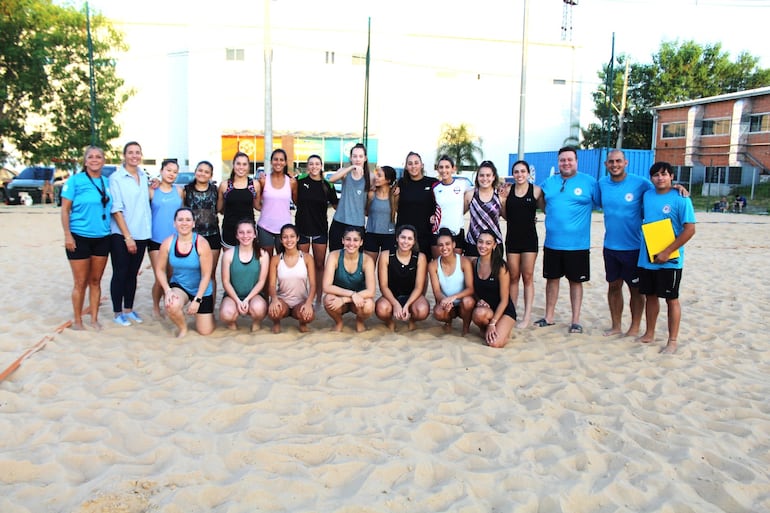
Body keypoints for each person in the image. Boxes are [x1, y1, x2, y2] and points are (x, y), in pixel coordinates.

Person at [536, 146, 599, 334]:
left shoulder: (589, 182)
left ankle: (575, 320)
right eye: (562, 160)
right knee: (552, 280)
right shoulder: (549, 182)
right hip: (552, 243)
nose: (566, 163)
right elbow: (537, 199)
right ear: (558, 162)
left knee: (575, 282)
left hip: (578, 245)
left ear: (576, 161)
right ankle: (549, 316)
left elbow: (607, 200)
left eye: (569, 159)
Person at [637, 162, 696, 354]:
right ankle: (650, 333)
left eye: (664, 174)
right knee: (650, 296)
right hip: (648, 257)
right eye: (655, 175)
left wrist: (668, 251)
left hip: (671, 259)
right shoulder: (647, 195)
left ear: (672, 176)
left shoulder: (681, 198)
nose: (660, 178)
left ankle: (672, 340)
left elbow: (690, 229)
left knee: (671, 299)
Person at [598, 149, 652, 337]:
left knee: (636, 290)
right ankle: (616, 326)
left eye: (618, 161)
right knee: (613, 287)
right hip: (610, 247)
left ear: (626, 162)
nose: (615, 165)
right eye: (611, 162)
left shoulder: (640, 183)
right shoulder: (602, 184)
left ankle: (635, 327)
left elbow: (662, 190)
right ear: (606, 165)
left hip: (634, 248)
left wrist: (678, 188)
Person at [60, 146, 112, 331]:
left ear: (103, 160)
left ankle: (94, 318)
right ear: (85, 161)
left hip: (102, 237)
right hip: (79, 236)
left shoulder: (107, 182)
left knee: (96, 281)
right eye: (91, 157)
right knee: (80, 282)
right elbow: (65, 210)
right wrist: (67, 235)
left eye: (99, 157)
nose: (95, 160)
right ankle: (78, 320)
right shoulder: (75, 181)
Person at [109, 141, 152, 326]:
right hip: (122, 234)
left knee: (133, 273)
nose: (134, 156)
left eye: (137, 152)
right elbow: (116, 209)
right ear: (124, 155)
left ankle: (129, 309)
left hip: (142, 233)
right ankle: (118, 312)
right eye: (130, 152)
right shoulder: (116, 178)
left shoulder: (143, 176)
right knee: (120, 272)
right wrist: (127, 237)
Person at [154, 207, 215, 337]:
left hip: (201, 290)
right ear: (174, 223)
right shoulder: (168, 243)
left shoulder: (201, 243)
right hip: (180, 286)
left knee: (205, 331)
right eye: (180, 220)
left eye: (188, 220)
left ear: (193, 223)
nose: (184, 223)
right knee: (171, 304)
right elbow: (159, 269)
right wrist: (167, 290)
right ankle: (183, 328)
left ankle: (207, 315)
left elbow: (206, 275)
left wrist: (197, 300)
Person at [503, 160, 543, 328]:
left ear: (528, 173)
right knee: (513, 277)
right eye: (516, 172)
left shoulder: (536, 190)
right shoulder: (507, 190)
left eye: (522, 171)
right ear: (513, 174)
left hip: (529, 240)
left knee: (527, 277)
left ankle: (526, 317)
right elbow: (504, 215)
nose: (519, 175)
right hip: (512, 238)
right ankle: (512, 314)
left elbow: (545, 208)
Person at [295, 154, 338, 304]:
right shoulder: (299, 181)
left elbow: (336, 205)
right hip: (302, 229)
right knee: (301, 265)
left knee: (319, 265)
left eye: (317, 164)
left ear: (321, 166)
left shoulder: (328, 185)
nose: (314, 166)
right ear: (307, 166)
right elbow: (294, 198)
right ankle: (302, 295)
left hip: (320, 229)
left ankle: (319, 297)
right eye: (311, 164)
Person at [374, 224, 430, 330]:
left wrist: (407, 305)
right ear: (397, 238)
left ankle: (412, 319)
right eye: (403, 237)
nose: (405, 241)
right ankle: (389, 321)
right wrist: (395, 304)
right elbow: (383, 286)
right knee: (381, 309)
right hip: (392, 295)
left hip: (412, 296)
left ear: (414, 241)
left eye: (410, 239)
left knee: (422, 310)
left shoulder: (420, 257)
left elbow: (419, 287)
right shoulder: (386, 255)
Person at [148, 158, 184, 318]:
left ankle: (167, 302)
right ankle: (156, 307)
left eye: (175, 172)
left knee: (170, 276)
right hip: (156, 240)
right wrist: (151, 182)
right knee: (159, 275)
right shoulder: (151, 190)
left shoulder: (179, 191)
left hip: (174, 241)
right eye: (168, 170)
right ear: (161, 171)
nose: (171, 174)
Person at [219, 219, 270, 332]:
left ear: (254, 234)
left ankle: (256, 323)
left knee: (259, 309)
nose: (245, 236)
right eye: (241, 232)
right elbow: (226, 282)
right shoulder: (228, 254)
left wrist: (247, 300)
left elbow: (261, 281)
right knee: (226, 314)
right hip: (233, 296)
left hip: (254, 295)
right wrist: (238, 301)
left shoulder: (263, 255)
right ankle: (232, 324)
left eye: (249, 232)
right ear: (236, 235)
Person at [322, 226, 376, 332]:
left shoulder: (367, 260)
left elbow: (371, 291)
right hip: (340, 297)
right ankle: (339, 322)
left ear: (361, 242)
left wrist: (345, 299)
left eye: (355, 240)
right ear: (342, 240)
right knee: (328, 299)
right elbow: (326, 286)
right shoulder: (334, 256)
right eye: (348, 239)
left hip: (358, 300)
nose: (351, 243)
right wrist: (351, 294)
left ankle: (360, 321)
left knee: (369, 305)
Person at [184, 160, 222, 302]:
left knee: (210, 274)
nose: (202, 174)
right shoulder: (186, 190)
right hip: (193, 237)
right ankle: (196, 303)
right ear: (195, 171)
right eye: (200, 170)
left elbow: (219, 209)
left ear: (211, 175)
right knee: (195, 273)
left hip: (212, 236)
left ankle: (209, 308)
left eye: (206, 172)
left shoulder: (215, 190)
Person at [267, 224, 316, 333]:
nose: (289, 240)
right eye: (285, 237)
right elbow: (271, 285)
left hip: (300, 301)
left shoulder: (307, 258)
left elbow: (313, 285)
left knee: (308, 315)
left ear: (297, 238)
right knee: (274, 312)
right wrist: (274, 299)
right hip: (282, 300)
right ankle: (276, 322)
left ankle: (302, 323)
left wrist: (308, 303)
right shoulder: (276, 259)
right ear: (281, 239)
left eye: (292, 236)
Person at [472, 229, 517, 348]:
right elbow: (473, 290)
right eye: (480, 242)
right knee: (478, 313)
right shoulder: (474, 263)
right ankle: (487, 329)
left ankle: (501, 328)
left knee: (494, 343)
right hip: (487, 310)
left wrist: (493, 323)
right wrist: (478, 300)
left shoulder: (501, 267)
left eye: (488, 243)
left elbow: (505, 300)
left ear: (494, 245)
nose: (483, 246)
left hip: (504, 310)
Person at [427, 227, 476, 334]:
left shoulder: (464, 261)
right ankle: (448, 322)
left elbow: (470, 289)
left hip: (463, 302)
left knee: (468, 301)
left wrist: (453, 298)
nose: (444, 248)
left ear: (453, 244)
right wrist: (445, 300)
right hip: (448, 303)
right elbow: (437, 291)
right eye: (441, 245)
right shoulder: (433, 265)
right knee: (438, 312)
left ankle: (466, 327)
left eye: (447, 244)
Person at [327, 143, 370, 251]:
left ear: (365, 158)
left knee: (355, 261)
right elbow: (331, 179)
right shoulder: (345, 173)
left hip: (357, 224)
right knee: (335, 256)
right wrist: (351, 167)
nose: (357, 159)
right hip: (340, 221)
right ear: (350, 158)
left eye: (360, 156)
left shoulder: (370, 177)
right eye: (354, 156)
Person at [394, 151, 437, 259]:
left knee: (422, 270)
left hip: (425, 235)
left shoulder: (432, 183)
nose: (413, 166)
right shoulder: (401, 183)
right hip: (405, 236)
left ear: (421, 165)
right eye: (410, 163)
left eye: (416, 163)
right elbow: (394, 208)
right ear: (406, 166)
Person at [257, 148, 297, 254]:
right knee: (266, 261)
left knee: (282, 261)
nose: (278, 162)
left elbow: (296, 201)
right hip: (265, 226)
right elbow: (257, 202)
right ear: (271, 162)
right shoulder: (264, 180)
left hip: (284, 227)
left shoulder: (291, 182)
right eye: (275, 159)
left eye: (281, 160)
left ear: (285, 162)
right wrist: (267, 209)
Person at [218, 151, 260, 250]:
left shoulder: (254, 185)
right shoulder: (225, 185)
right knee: (229, 263)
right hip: (229, 230)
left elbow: (258, 206)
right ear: (233, 165)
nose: (241, 167)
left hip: (248, 233)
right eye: (238, 164)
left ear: (248, 166)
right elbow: (219, 208)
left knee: (248, 263)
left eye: (244, 164)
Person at [464, 160, 504, 258]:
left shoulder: (500, 196)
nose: (485, 178)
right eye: (481, 175)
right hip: (473, 242)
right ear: (477, 177)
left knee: (493, 273)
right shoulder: (470, 195)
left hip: (494, 243)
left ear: (493, 177)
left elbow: (509, 217)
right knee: (472, 273)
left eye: (488, 175)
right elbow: (458, 213)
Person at [431, 155, 468, 258]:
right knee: (438, 265)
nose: (444, 170)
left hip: (456, 231)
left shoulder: (462, 184)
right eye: (441, 167)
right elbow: (431, 206)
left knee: (456, 266)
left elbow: (477, 191)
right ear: (437, 169)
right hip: (438, 231)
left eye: (447, 167)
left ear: (453, 168)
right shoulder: (435, 187)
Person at [364, 165, 397, 264]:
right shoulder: (371, 194)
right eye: (376, 174)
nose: (376, 177)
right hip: (371, 234)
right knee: (368, 267)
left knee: (385, 269)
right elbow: (366, 212)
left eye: (379, 175)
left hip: (389, 235)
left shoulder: (395, 196)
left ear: (388, 180)